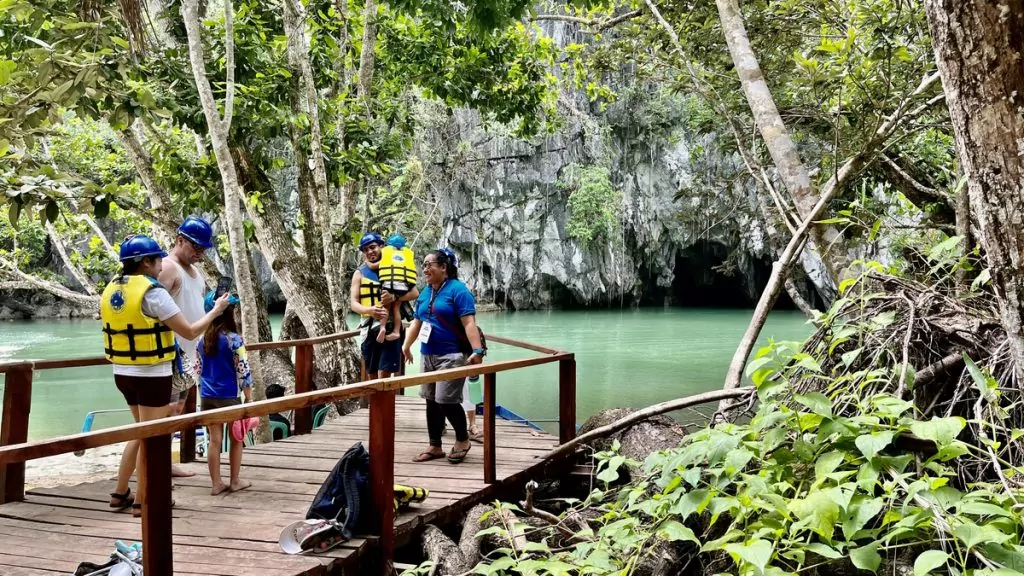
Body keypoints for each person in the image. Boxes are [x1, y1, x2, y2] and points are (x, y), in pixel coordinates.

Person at [101, 234, 230, 517]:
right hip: (151, 374)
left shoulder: (113, 287)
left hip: (122, 371)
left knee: (139, 432)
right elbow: (190, 331)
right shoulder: (153, 292)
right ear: (146, 262)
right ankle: (145, 501)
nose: (162, 265)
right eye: (157, 260)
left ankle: (121, 493)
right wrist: (217, 311)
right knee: (152, 438)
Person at [402, 248, 485, 464]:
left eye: (430, 264)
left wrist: (477, 350)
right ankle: (435, 445)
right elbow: (417, 323)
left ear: (444, 268)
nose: (425, 269)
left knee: (446, 401)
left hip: (452, 354)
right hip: (428, 354)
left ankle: (462, 439)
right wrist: (406, 345)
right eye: (424, 265)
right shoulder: (426, 292)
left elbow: (469, 323)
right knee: (431, 400)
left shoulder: (459, 291)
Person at [157, 215, 216, 479]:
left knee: (177, 411)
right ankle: (155, 467)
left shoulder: (196, 273)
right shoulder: (168, 268)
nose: (200, 254)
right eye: (196, 248)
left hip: (190, 354)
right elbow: (153, 305)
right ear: (180, 240)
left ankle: (165, 463)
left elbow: (194, 305)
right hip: (171, 354)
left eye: (203, 249)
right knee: (164, 413)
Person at [194, 290, 253, 495]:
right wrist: (250, 397)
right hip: (230, 395)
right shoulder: (234, 340)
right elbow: (243, 370)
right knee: (237, 438)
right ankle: (235, 480)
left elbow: (197, 370)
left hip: (208, 396)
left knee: (214, 440)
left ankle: (216, 483)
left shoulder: (202, 340)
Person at [349, 232, 419, 380]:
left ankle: (385, 403)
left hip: (392, 326)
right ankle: (374, 404)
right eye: (366, 249)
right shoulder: (360, 273)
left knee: (385, 374)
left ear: (382, 246)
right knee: (372, 373)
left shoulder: (397, 267)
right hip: (369, 328)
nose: (370, 252)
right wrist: (370, 310)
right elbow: (354, 303)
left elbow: (414, 293)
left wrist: (395, 297)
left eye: (373, 247)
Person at [373, 233, 417, 343]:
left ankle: (382, 328)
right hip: (403, 286)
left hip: (388, 283)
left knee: (386, 306)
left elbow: (376, 265)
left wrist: (368, 264)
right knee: (396, 308)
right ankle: (396, 331)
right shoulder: (407, 254)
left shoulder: (386, 252)